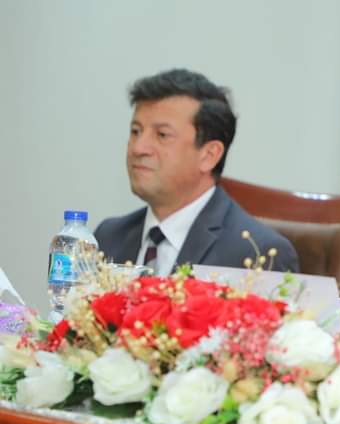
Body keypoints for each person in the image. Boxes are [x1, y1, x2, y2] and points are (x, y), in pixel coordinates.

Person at [95, 69, 299, 275]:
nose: (139, 148)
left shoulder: (256, 253)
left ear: (209, 155)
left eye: (162, 135)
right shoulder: (108, 237)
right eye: (135, 131)